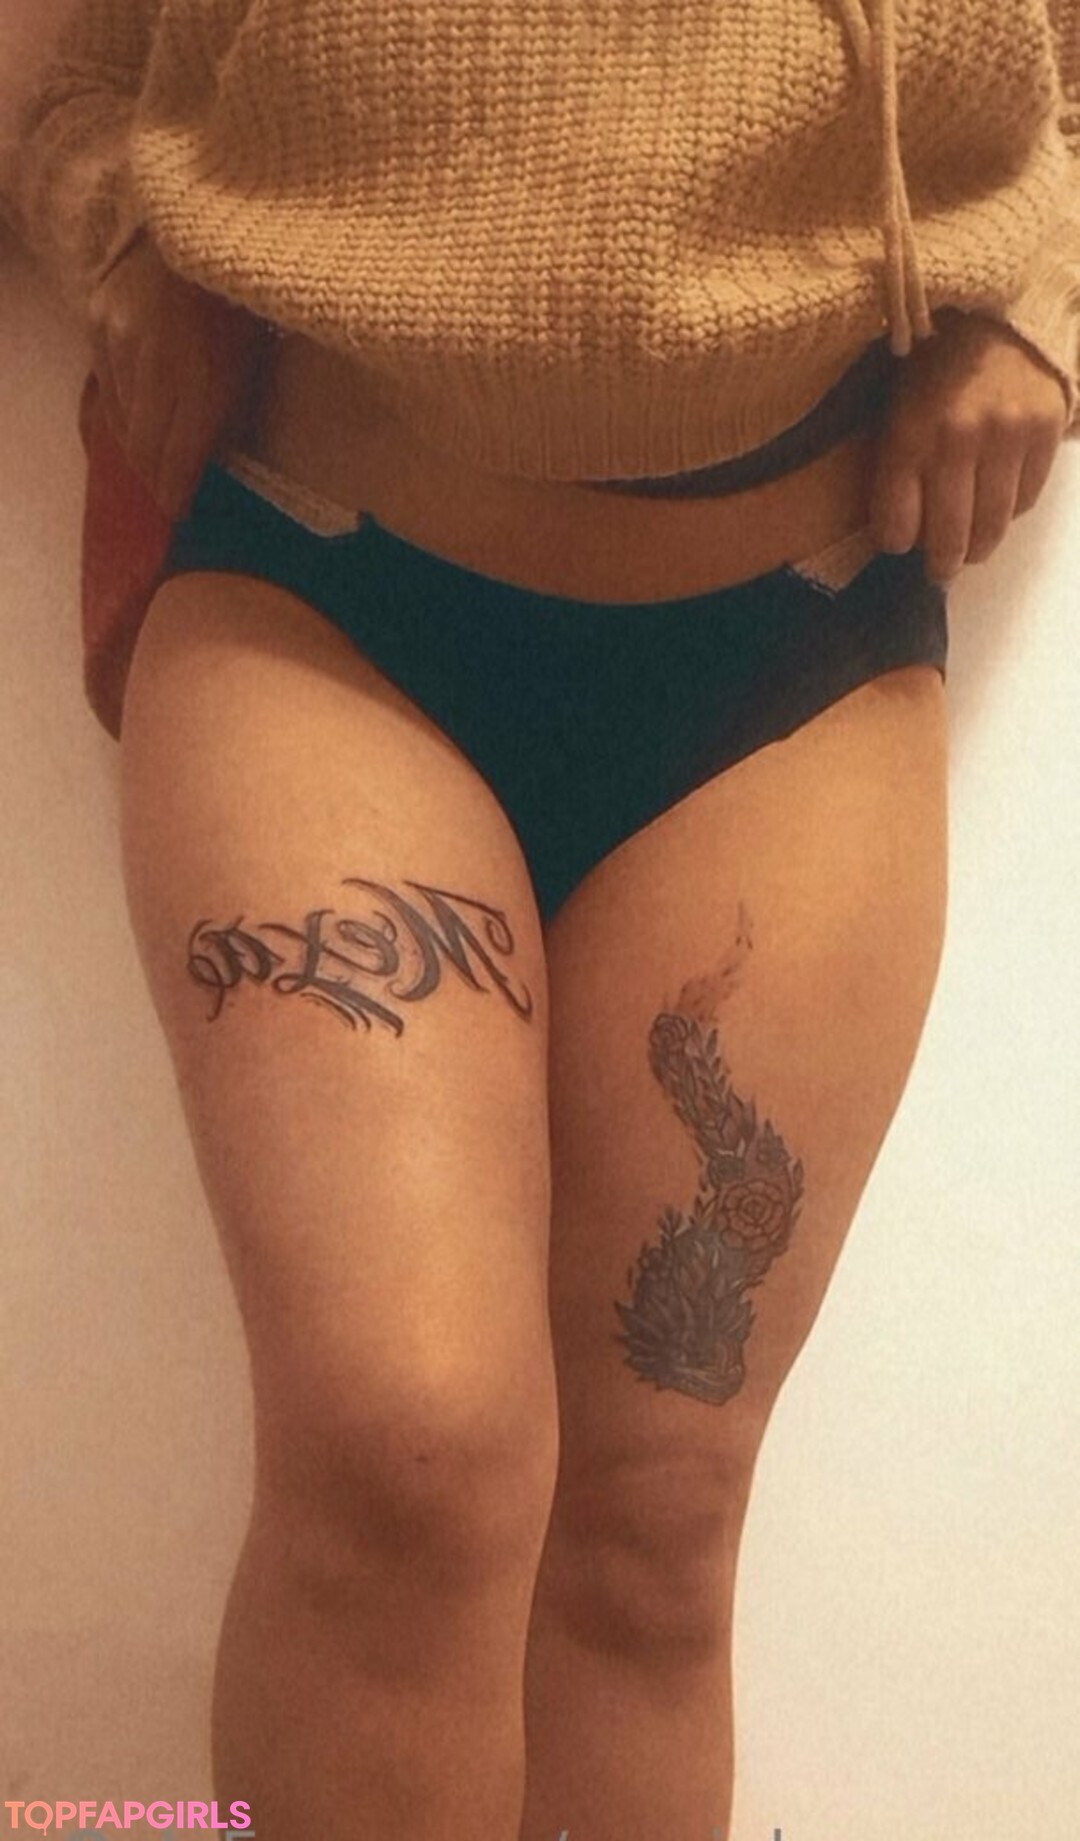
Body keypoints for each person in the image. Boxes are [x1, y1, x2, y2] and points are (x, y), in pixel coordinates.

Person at [4, 1, 1078, 1835]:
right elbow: (74, 65)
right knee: (398, 1458)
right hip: (329, 583)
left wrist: (1042, 293)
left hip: (797, 631)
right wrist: (113, 227)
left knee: (656, 1519)